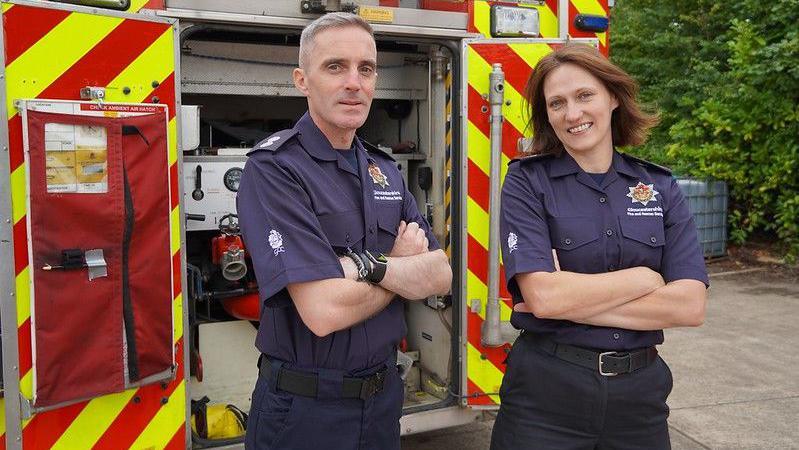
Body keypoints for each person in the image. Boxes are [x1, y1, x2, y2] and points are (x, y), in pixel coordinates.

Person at [236, 12, 452, 450]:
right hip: (304, 412)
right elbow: (323, 312)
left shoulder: (385, 170)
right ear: (302, 79)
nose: (354, 82)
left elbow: (441, 273)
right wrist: (398, 264)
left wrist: (360, 267)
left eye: (366, 68)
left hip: (382, 404)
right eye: (335, 67)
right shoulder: (275, 169)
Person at [490, 44, 709, 450]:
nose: (572, 114)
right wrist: (644, 278)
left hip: (639, 403)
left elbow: (689, 306)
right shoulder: (526, 182)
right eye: (557, 103)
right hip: (545, 400)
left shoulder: (659, 187)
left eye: (584, 96)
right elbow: (544, 296)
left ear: (612, 97)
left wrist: (568, 298)